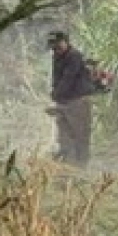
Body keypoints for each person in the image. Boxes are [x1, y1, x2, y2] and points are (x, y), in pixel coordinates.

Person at [46, 30, 93, 168]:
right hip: (64, 102)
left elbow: (68, 79)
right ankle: (67, 167)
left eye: (58, 46)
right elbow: (57, 79)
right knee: (64, 137)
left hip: (78, 102)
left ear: (66, 41)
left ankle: (81, 167)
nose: (56, 49)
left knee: (80, 136)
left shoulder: (74, 56)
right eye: (53, 47)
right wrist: (55, 98)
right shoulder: (56, 56)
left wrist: (56, 96)